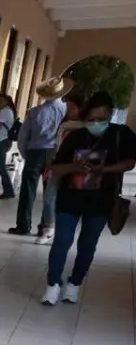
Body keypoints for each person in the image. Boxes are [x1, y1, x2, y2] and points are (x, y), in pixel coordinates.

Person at [42, 91, 136, 305]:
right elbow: (55, 167)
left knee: (87, 244)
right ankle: (53, 284)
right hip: (70, 198)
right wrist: (75, 166)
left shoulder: (121, 135)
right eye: (91, 120)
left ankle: (74, 284)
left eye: (101, 119)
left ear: (110, 114)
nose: (95, 124)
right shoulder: (75, 137)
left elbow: (130, 162)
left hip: (101, 200)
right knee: (61, 241)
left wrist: (104, 169)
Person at [10, 77, 71, 238]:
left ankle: (23, 225)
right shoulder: (66, 111)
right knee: (50, 192)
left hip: (35, 152)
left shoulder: (34, 112)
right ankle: (46, 226)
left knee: (27, 191)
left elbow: (23, 137)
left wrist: (26, 154)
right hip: (55, 154)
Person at [36, 90, 86, 246]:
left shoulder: (88, 126)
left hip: (78, 168)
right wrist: (50, 163)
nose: (69, 111)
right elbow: (57, 146)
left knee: (70, 199)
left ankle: (64, 230)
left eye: (72, 108)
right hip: (60, 165)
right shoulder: (65, 125)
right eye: (68, 107)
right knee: (49, 196)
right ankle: (49, 227)